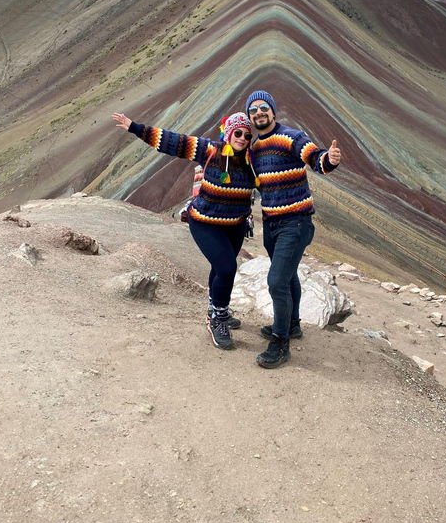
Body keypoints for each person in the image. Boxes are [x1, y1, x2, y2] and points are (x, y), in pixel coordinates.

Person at [112, 111, 255, 350]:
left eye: (247, 135)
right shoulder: (209, 150)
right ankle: (216, 318)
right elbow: (173, 142)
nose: (242, 138)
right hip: (205, 222)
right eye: (237, 133)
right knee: (227, 267)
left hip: (236, 224)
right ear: (228, 132)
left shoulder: (252, 160)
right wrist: (135, 127)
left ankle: (217, 308)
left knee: (220, 269)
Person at [245, 91, 341, 369]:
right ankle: (293, 324)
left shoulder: (292, 137)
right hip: (272, 223)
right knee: (286, 277)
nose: (259, 113)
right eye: (254, 110)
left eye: (264, 107)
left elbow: (314, 158)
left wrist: (329, 159)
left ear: (273, 112)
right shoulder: (254, 148)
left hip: (295, 223)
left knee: (276, 281)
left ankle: (280, 341)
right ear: (251, 117)